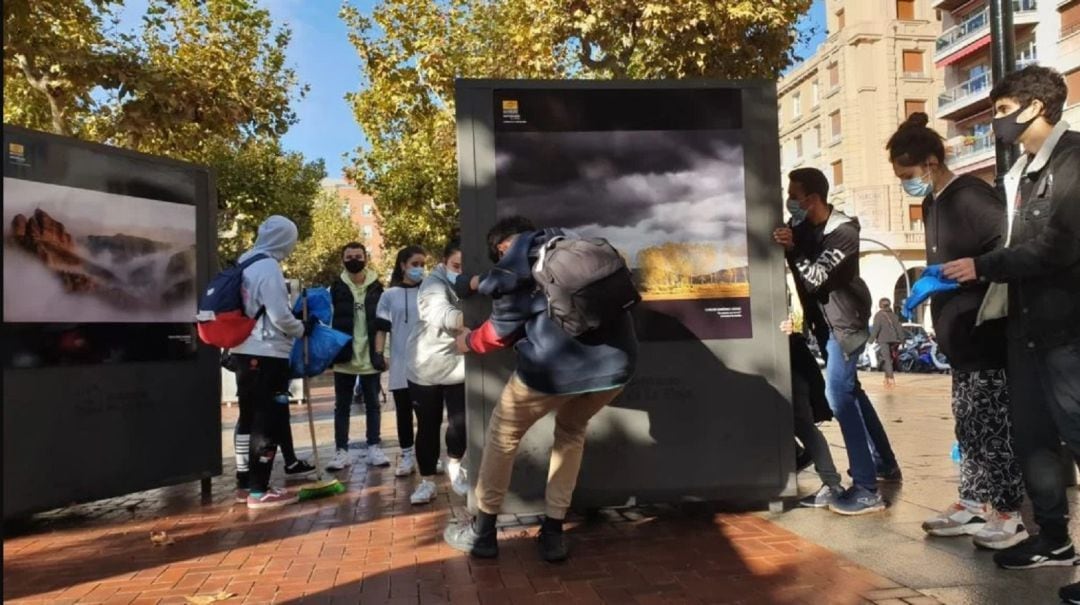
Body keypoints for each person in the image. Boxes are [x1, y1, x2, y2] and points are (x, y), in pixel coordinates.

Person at [940, 67, 1080, 596]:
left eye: (1001, 112)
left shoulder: (1075, 161)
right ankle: (1053, 539)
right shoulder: (1021, 169)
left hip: (1069, 331)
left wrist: (984, 266)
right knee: (1034, 442)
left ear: (1036, 108)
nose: (995, 122)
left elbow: (1060, 247)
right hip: (1025, 329)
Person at [442, 216, 638, 562]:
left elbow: (496, 335)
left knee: (503, 436)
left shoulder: (512, 273)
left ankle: (483, 533)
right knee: (571, 433)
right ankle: (553, 533)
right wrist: (474, 283)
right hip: (615, 369)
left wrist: (466, 342)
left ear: (503, 247)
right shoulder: (573, 245)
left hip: (550, 373)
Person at [888, 112, 1024, 550]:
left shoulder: (970, 196)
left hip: (985, 333)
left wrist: (973, 270)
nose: (905, 183)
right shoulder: (932, 202)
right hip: (958, 338)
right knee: (968, 424)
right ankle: (972, 500)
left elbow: (1008, 244)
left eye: (907, 174)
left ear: (929, 162)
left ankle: (1007, 511)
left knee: (992, 425)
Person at [775, 167, 897, 515]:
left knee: (838, 394)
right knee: (852, 391)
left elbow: (813, 277)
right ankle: (885, 464)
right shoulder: (803, 229)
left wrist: (793, 249)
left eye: (794, 195)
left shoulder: (843, 232)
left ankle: (866, 487)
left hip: (847, 324)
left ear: (812, 198)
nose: (790, 201)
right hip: (825, 325)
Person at [229, 216, 314, 509]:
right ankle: (258, 490)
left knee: (250, 418)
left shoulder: (246, 261)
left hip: (244, 350)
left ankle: (248, 483)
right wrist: (302, 328)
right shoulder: (268, 267)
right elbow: (279, 316)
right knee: (268, 421)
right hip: (267, 352)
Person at [406, 239, 469, 505]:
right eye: (456, 265)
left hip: (458, 366)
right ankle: (427, 481)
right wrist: (471, 321)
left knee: (461, 423)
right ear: (444, 263)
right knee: (428, 426)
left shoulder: (474, 283)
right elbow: (442, 314)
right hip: (426, 368)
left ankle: (455, 463)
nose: (461, 272)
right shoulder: (432, 285)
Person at [327, 242, 389, 471]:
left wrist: (385, 353)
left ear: (366, 258)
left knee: (373, 404)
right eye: (349, 256)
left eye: (358, 255)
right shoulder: (334, 289)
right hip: (344, 356)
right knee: (341, 406)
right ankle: (341, 451)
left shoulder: (378, 288)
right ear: (343, 260)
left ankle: (374, 446)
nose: (354, 259)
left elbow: (384, 324)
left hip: (371, 355)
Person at [373, 246, 426, 478]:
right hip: (400, 364)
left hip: (427, 363)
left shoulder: (430, 291)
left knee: (427, 415)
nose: (420, 269)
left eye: (423, 265)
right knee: (403, 413)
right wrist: (378, 354)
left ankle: (428, 457)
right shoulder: (389, 295)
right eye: (415, 264)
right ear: (403, 265)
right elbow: (382, 329)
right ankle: (406, 456)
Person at [780, 317, 843, 508]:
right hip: (790, 363)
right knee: (793, 423)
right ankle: (801, 456)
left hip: (793, 366)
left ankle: (832, 483)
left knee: (803, 425)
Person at [869, 298, 904, 388]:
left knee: (887, 359)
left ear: (880, 305)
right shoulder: (893, 315)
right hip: (894, 340)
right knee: (888, 359)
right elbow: (899, 328)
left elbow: (876, 329)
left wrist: (870, 341)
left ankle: (891, 379)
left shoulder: (878, 315)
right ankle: (886, 379)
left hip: (883, 340)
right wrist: (902, 339)